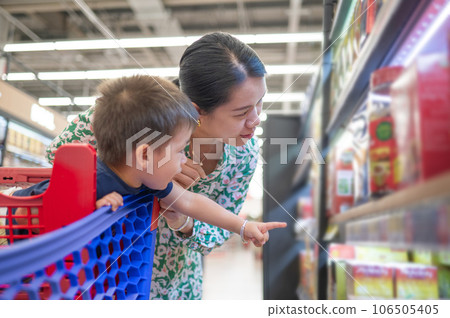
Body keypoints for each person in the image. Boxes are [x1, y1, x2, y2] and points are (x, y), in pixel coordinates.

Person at [46, 32, 267, 299]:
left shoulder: (243, 154)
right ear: (197, 112)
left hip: (174, 285)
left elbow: (212, 224)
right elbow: (57, 155)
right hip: (102, 271)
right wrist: (132, 172)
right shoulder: (139, 112)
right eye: (241, 112)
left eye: (260, 102)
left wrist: (184, 222)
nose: (255, 119)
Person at [13, 75, 285, 246]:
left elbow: (191, 202)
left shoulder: (149, 179)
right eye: (181, 151)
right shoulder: (92, 177)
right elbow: (37, 207)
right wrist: (89, 206)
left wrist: (244, 226)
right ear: (144, 155)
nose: (184, 161)